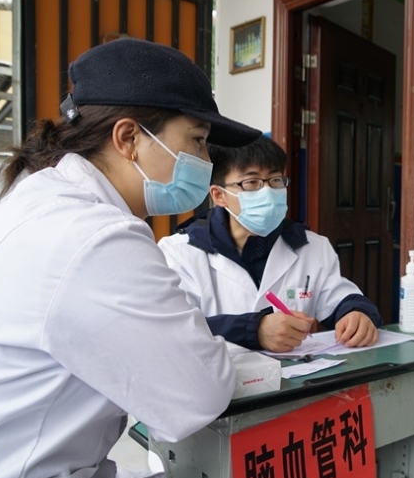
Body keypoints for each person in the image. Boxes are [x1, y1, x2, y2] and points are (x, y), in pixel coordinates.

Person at [0, 38, 262, 478]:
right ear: (129, 137)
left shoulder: (35, 203)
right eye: (197, 140)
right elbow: (195, 394)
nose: (206, 160)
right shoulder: (94, 237)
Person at [157, 135, 382, 355]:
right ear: (219, 195)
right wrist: (254, 331)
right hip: (218, 377)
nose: (267, 192)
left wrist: (357, 314)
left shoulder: (312, 246)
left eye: (275, 180)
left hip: (295, 376)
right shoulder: (179, 252)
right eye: (251, 182)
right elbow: (173, 327)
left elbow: (340, 297)